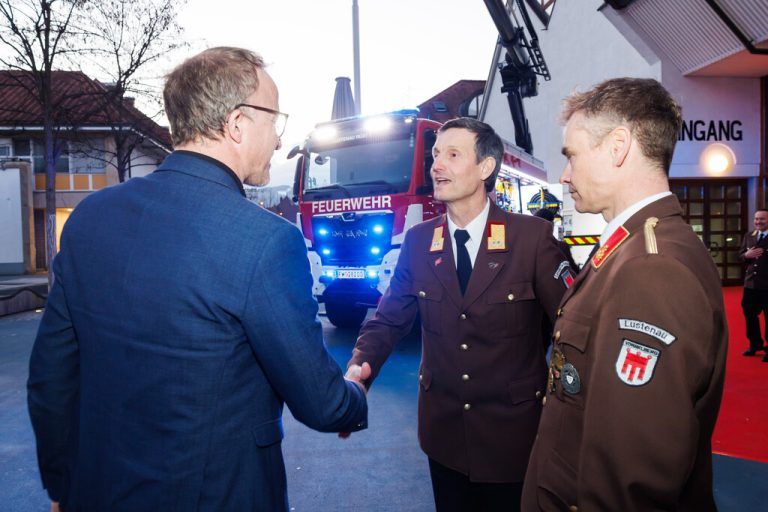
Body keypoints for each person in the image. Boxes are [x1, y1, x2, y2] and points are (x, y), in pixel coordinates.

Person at [27, 47, 368, 512]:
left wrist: (62, 487)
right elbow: (322, 404)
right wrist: (356, 394)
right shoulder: (265, 241)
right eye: (275, 118)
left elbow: (52, 378)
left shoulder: (90, 218)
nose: (276, 138)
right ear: (236, 124)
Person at [521, 78, 727, 511]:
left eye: (572, 156)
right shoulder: (630, 246)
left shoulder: (652, 268)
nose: (565, 174)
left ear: (618, 147)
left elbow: (629, 482)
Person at [346, 118, 572, 512]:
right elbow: (388, 319)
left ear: (485, 168)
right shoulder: (418, 241)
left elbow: (573, 326)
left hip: (514, 438)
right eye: (435, 155)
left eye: (453, 155)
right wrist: (360, 367)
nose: (437, 165)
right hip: (445, 437)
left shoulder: (532, 239)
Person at [739, 209, 768, 361]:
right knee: (750, 316)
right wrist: (746, 255)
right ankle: (755, 344)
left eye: (762, 219)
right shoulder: (749, 236)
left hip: (767, 285)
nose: (758, 222)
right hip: (751, 285)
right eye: (756, 219)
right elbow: (740, 255)